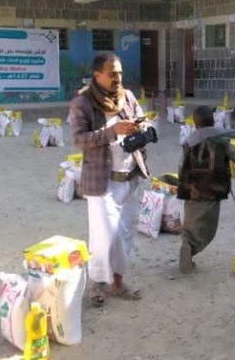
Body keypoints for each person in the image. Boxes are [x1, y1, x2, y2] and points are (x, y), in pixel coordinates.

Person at [70, 53, 149, 306]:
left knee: (124, 235)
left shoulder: (128, 97)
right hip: (103, 181)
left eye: (120, 73)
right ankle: (96, 282)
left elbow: (143, 119)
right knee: (105, 237)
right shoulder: (83, 102)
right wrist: (112, 131)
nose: (118, 78)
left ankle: (117, 282)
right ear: (97, 75)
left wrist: (142, 127)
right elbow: (79, 139)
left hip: (131, 176)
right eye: (112, 74)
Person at [176, 105, 235, 273]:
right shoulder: (222, 140)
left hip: (191, 191)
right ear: (213, 121)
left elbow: (181, 167)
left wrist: (184, 186)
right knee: (208, 230)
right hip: (212, 192)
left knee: (189, 226)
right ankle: (190, 250)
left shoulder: (188, 142)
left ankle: (186, 246)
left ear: (195, 124)